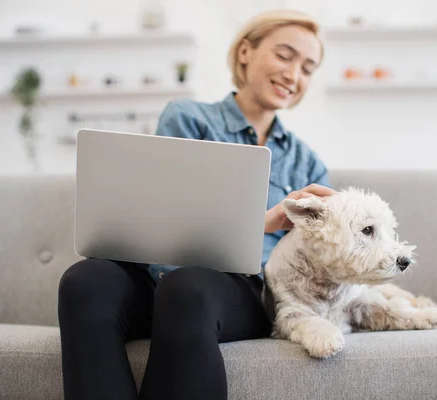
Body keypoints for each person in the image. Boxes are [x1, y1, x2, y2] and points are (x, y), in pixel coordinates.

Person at [58, 9, 336, 400]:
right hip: (157, 277)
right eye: (285, 56)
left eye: (308, 67)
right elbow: (169, 222)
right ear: (245, 52)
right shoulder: (188, 118)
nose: (294, 75)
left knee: (189, 285)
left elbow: (324, 256)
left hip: (239, 291)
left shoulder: (306, 162)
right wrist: (268, 218)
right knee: (84, 280)